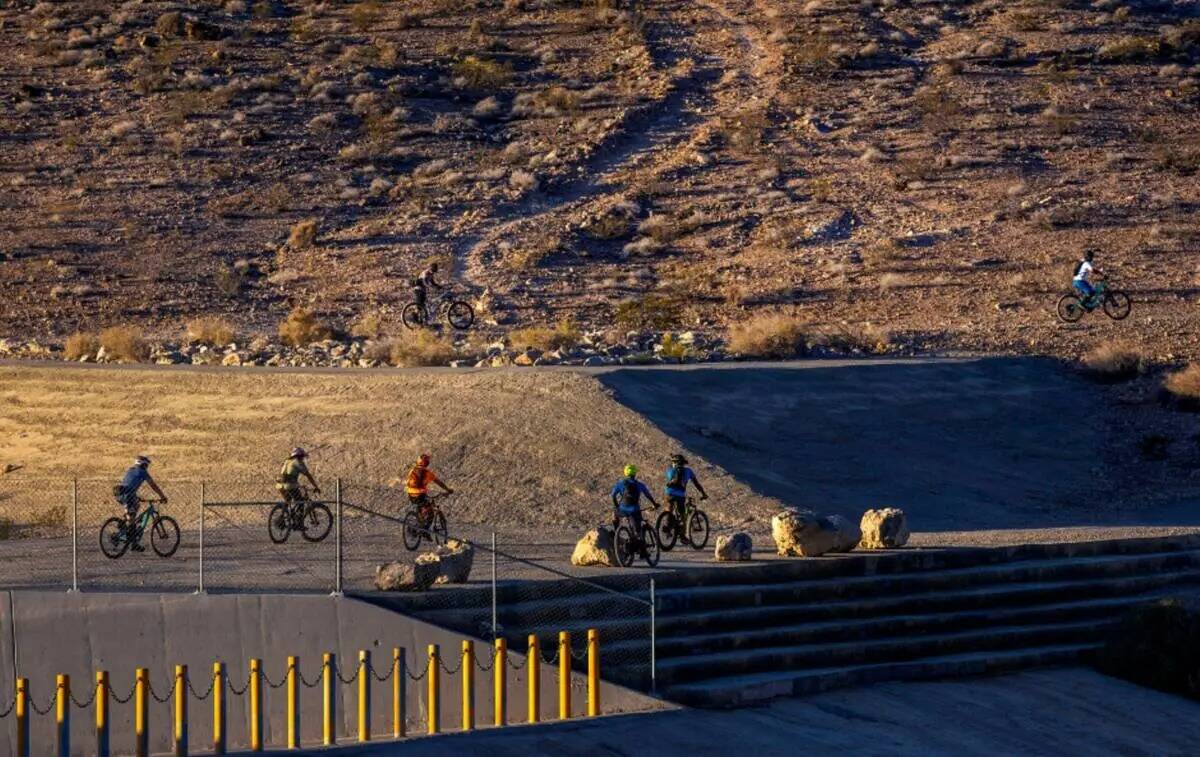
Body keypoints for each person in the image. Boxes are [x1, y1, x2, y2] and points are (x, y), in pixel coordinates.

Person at [114, 456, 167, 551]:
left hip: (121, 494)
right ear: (142, 464)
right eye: (146, 465)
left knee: (135, 507)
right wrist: (162, 496)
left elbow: (129, 483)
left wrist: (136, 497)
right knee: (132, 517)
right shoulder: (142, 472)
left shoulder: (131, 470)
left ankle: (125, 526)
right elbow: (153, 485)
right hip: (128, 496)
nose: (147, 467)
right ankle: (134, 543)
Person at [610, 465, 659, 551]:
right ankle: (642, 551)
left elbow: (613, 495)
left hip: (622, 510)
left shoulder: (620, 483)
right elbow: (648, 495)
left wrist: (617, 507)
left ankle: (616, 532)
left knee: (614, 514)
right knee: (637, 531)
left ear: (625, 473)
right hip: (634, 511)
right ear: (635, 473)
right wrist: (654, 504)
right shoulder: (639, 485)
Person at [405, 453, 454, 527]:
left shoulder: (412, 470)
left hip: (410, 494)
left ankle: (418, 521)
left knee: (422, 507)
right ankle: (425, 531)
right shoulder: (428, 473)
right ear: (427, 463)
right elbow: (439, 482)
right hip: (420, 495)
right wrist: (448, 489)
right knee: (431, 513)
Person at [664, 453, 707, 527]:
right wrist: (703, 493)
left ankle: (667, 522)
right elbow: (696, 484)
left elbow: (670, 478)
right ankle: (682, 534)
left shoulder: (669, 470)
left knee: (669, 506)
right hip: (681, 495)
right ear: (683, 463)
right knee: (682, 515)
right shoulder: (688, 471)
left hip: (669, 493)